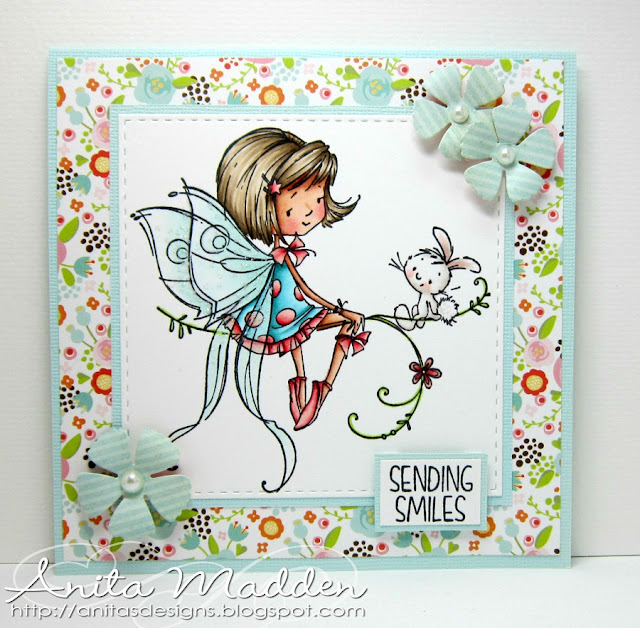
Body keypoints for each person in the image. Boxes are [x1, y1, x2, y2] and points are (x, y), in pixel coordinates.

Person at [216, 127, 368, 429]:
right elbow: (305, 289)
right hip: (282, 313)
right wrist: (338, 309)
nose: (310, 211)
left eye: (318, 198)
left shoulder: (283, 253)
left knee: (297, 338)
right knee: (348, 322)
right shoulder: (281, 255)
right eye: (296, 198)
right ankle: (321, 387)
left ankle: (303, 385)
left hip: (290, 313)